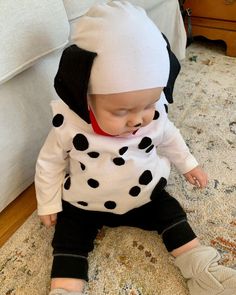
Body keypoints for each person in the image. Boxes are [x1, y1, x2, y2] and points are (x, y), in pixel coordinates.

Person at [35, 2, 236, 295]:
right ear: (84, 97)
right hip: (85, 203)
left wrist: (189, 164)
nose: (138, 118)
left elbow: (170, 138)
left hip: (145, 195)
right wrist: (49, 202)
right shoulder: (70, 125)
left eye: (149, 104)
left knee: (170, 211)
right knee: (67, 237)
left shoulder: (152, 116)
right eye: (121, 111)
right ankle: (65, 288)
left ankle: (202, 269)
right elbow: (49, 163)